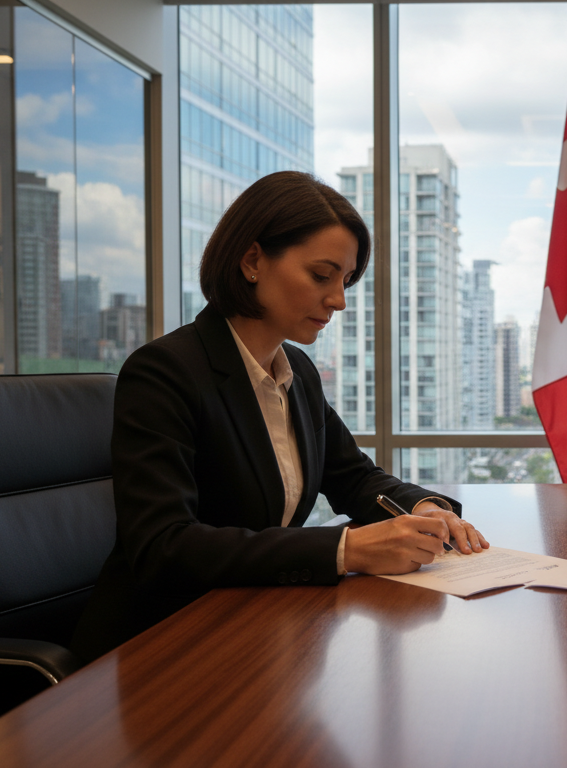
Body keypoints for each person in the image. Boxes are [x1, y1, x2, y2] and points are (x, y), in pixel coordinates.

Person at [71, 171, 488, 662]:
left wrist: (422, 508)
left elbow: (353, 477)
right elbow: (164, 547)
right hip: (163, 646)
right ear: (252, 261)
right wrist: (345, 551)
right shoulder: (165, 371)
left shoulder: (298, 373)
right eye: (321, 275)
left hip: (255, 631)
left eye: (346, 280)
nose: (339, 299)